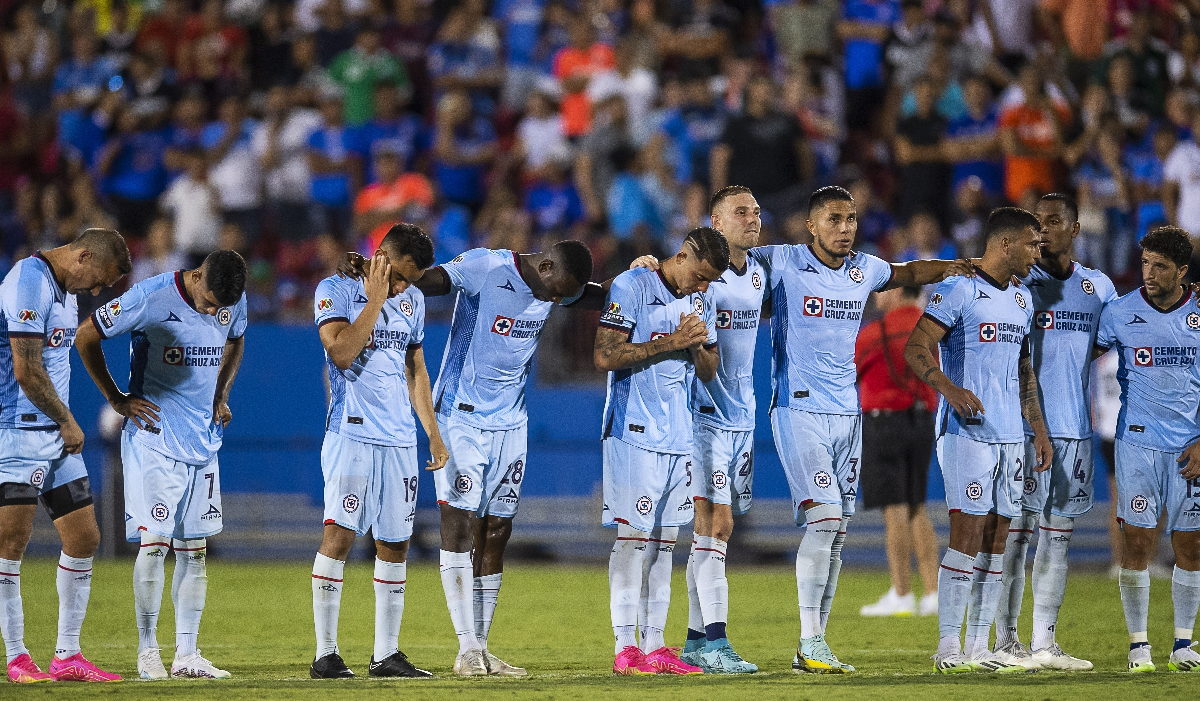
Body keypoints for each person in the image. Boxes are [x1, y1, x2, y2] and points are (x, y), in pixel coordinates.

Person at [337, 238, 601, 676]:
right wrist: (374, 268)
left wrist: (649, 273)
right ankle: (465, 648)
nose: (556, 302)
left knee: (497, 530)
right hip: (462, 417)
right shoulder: (487, 267)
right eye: (556, 292)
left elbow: (600, 293)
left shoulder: (561, 285)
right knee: (458, 525)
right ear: (547, 265)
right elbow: (433, 280)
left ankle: (482, 646)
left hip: (512, 423)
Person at [753, 186, 973, 673]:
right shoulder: (783, 261)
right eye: (834, 219)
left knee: (837, 532)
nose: (845, 227)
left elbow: (908, 273)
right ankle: (810, 641)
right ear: (811, 225)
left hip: (848, 415)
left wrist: (955, 266)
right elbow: (727, 257)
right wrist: (657, 266)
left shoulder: (863, 269)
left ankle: (817, 644)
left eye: (851, 219)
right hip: (799, 408)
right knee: (826, 519)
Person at [74, 250, 249, 680]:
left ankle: (187, 654)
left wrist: (221, 393)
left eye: (221, 308)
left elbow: (236, 339)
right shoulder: (150, 297)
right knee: (155, 545)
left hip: (204, 441)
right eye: (209, 303)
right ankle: (147, 650)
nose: (214, 312)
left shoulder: (231, 299)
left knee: (196, 552)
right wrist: (116, 398)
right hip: (154, 437)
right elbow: (86, 335)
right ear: (196, 276)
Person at [904, 207, 1051, 674]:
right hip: (966, 431)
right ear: (1005, 244)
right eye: (1032, 244)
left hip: (1011, 435)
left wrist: (1039, 430)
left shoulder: (1024, 300)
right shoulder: (959, 289)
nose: (1037, 253)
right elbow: (915, 346)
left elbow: (1024, 369)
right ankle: (948, 648)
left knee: (998, 539)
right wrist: (949, 388)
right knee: (967, 534)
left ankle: (979, 646)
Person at [626, 186, 765, 673]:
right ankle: (714, 641)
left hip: (741, 418)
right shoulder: (700, 280)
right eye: (740, 212)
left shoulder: (761, 273)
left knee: (716, 530)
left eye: (756, 211)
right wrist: (649, 268)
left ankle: (693, 640)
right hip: (703, 416)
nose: (752, 218)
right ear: (715, 222)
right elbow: (659, 286)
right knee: (715, 525)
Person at [308, 224, 446, 680]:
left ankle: (386, 655)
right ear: (382, 255)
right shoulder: (335, 289)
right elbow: (343, 353)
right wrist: (375, 299)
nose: (404, 287)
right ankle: (325, 655)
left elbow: (416, 369)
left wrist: (432, 431)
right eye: (401, 275)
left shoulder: (414, 300)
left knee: (395, 542)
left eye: (411, 280)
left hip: (400, 440)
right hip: (352, 434)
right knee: (341, 536)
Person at [990, 194, 1116, 671]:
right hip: (1023, 429)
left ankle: (1045, 641)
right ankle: (1005, 641)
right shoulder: (1021, 282)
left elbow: (1121, 332)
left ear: (1075, 228)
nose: (1041, 231)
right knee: (1017, 535)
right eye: (1035, 223)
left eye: (1051, 222)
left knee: (1057, 537)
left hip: (1075, 431)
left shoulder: (1097, 288)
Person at [0, 229, 130, 684]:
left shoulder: (66, 290)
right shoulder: (26, 282)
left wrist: (61, 425)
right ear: (84, 255)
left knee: (84, 537)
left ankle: (67, 656)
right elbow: (26, 369)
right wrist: (67, 420)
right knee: (9, 546)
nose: (96, 291)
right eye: (98, 280)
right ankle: (17, 659)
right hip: (14, 435)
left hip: (54, 437)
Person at [596, 226, 726, 676]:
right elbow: (606, 355)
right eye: (701, 276)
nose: (703, 287)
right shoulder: (632, 285)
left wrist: (698, 345)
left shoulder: (701, 300)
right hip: (632, 431)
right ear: (683, 255)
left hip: (678, 434)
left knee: (665, 542)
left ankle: (656, 645)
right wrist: (672, 342)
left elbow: (710, 370)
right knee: (632, 539)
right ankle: (624, 645)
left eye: (711, 282)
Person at [1095, 226, 1200, 674]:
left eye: (1160, 266)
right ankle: (1139, 645)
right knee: (1136, 544)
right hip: (1136, 444)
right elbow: (1079, 357)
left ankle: (1183, 644)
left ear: (1182, 271)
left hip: (1190, 449)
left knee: (1191, 548)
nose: (1150, 273)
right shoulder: (1119, 313)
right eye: (1145, 263)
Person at [856, 285, 940, 619]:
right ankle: (933, 594)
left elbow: (855, 368)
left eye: (882, 290)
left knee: (894, 509)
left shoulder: (874, 332)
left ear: (898, 291)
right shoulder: (928, 326)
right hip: (922, 419)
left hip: (884, 423)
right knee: (918, 506)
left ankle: (901, 593)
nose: (876, 296)